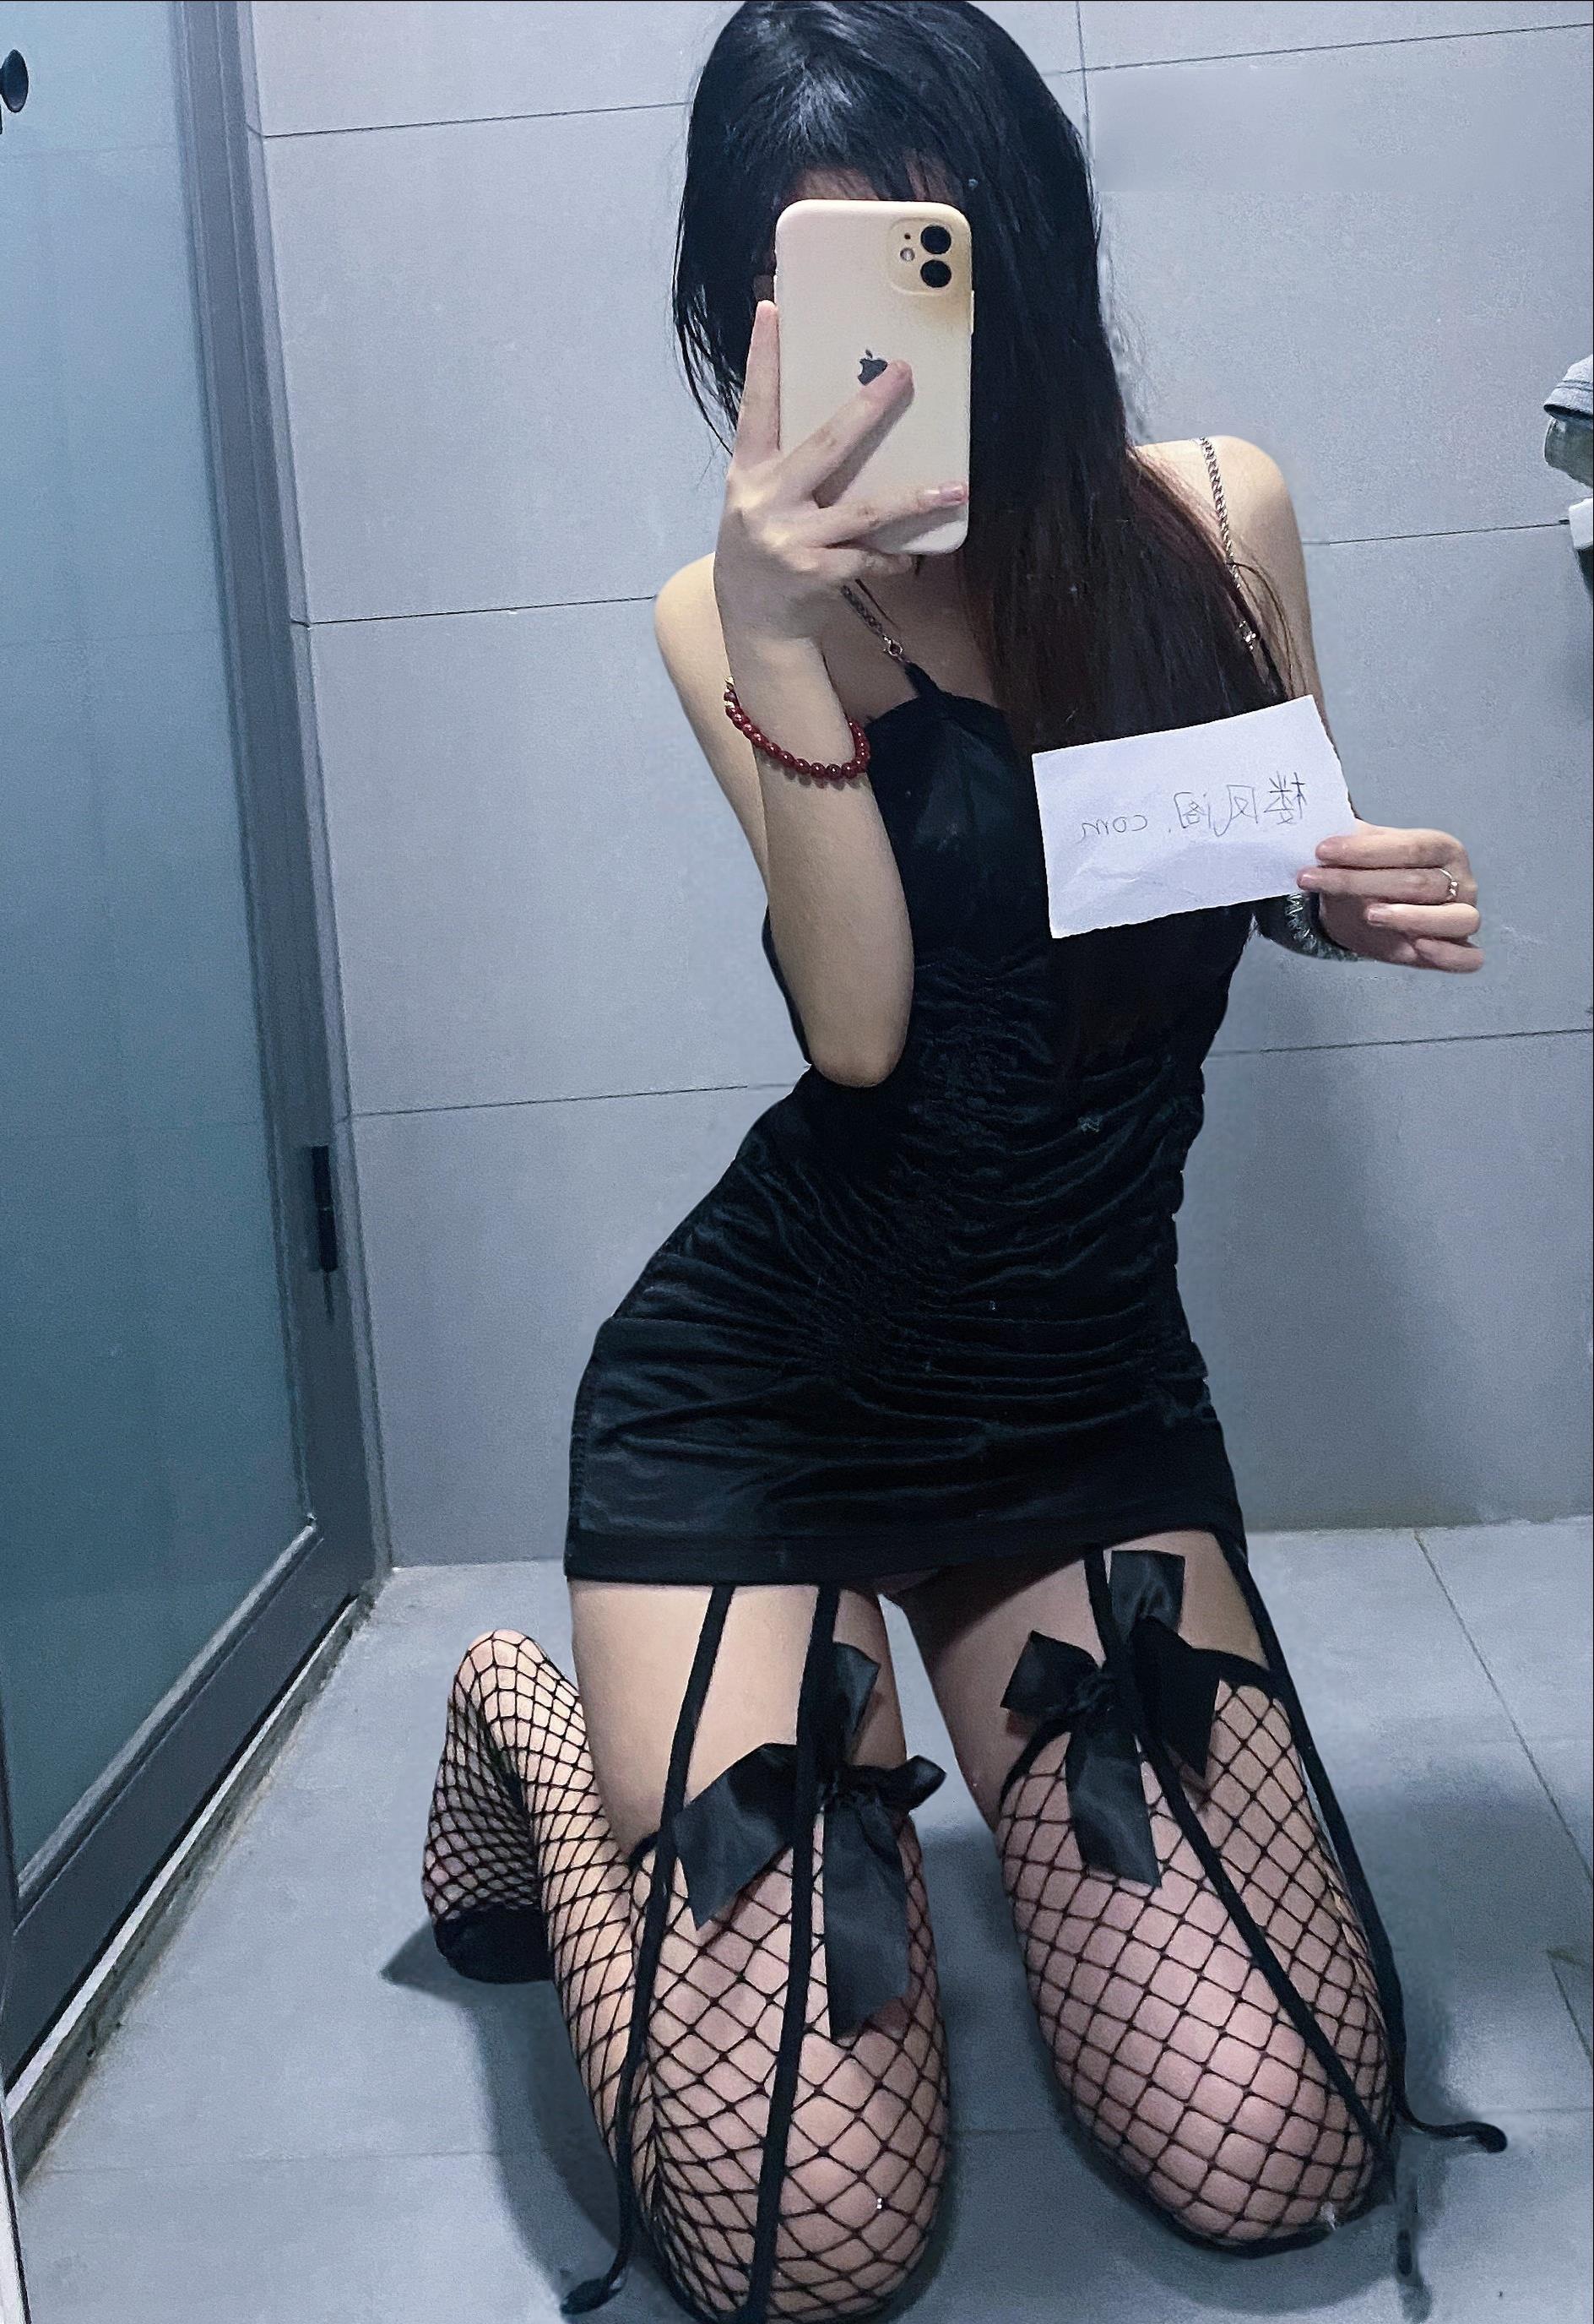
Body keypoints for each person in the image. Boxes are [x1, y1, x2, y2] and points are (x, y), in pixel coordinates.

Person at [422, 7, 1501, 2318]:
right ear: (743, 309)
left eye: (939, 253)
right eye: (808, 281)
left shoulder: (1216, 517)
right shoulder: (726, 615)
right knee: (801, 2238)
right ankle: (532, 1716)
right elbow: (862, 1030)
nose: (896, 339)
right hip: (766, 1419)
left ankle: (926, 1730)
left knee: (1285, 2143)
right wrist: (787, 641)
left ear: (1027, 240)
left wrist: (1344, 896)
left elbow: (1237, 857)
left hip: (1079, 1406)